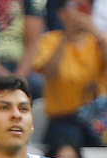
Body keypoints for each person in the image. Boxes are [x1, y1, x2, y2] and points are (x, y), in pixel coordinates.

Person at [34, 0, 107, 147]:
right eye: (75, 7)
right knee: (66, 143)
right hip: (63, 119)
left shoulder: (99, 42)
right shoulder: (50, 40)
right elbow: (49, 72)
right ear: (62, 14)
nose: (80, 12)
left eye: (85, 7)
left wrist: (98, 34)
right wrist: (66, 37)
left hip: (98, 119)